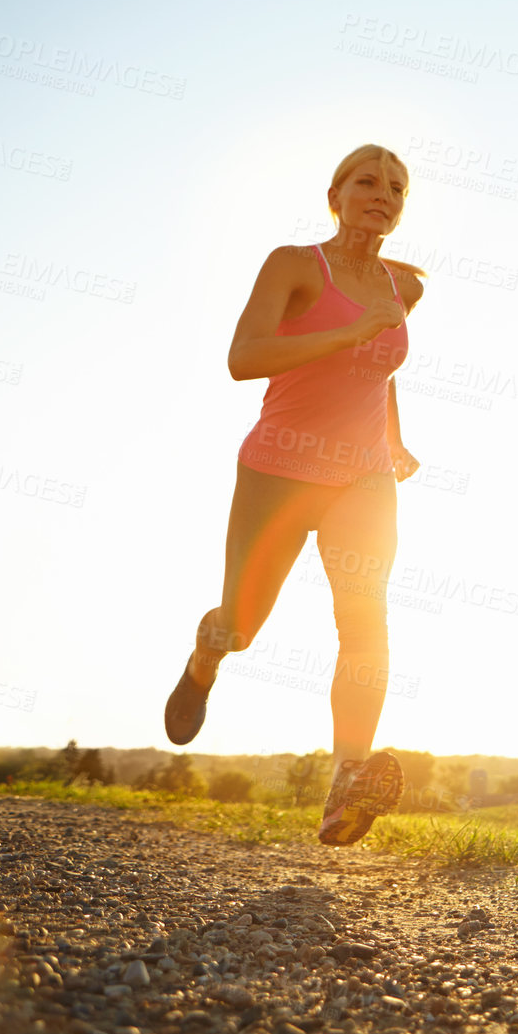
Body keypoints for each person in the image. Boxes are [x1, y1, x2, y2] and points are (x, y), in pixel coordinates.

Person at [164, 144, 428, 846]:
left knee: (365, 615)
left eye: (397, 188)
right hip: (278, 473)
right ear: (335, 194)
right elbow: (242, 358)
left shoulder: (405, 288)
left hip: (362, 477)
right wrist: (348, 330)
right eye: (367, 181)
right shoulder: (292, 265)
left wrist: (395, 439)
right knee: (241, 625)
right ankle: (205, 660)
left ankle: (347, 783)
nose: (383, 194)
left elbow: (381, 368)